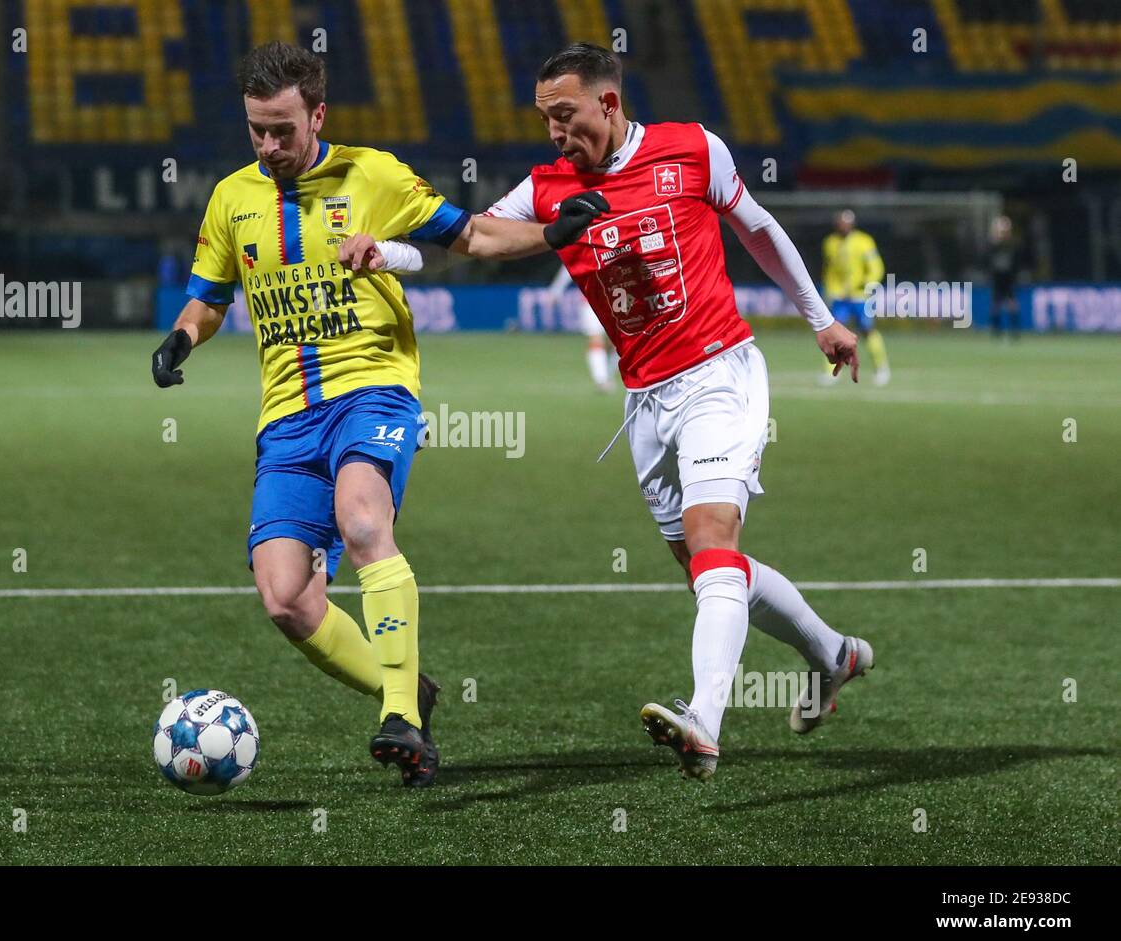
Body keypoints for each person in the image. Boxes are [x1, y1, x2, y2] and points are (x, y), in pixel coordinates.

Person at [340, 43, 874, 781]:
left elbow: (757, 227)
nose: (556, 133)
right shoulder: (548, 187)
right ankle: (833, 653)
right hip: (646, 400)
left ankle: (704, 723)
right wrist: (388, 256)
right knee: (709, 568)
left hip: (721, 373)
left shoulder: (692, 149)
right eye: (546, 120)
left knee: (711, 536)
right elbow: (473, 237)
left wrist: (821, 319)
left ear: (609, 104)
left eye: (566, 116)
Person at [150, 42, 603, 787]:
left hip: (373, 389)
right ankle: (409, 691)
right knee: (285, 596)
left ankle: (401, 718)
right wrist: (180, 339)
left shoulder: (374, 174)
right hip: (287, 417)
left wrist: (551, 234)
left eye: (283, 130)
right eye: (257, 131)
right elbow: (209, 297)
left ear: (317, 115)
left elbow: (472, 234)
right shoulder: (232, 198)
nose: (270, 146)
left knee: (364, 521)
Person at [822, 209, 890, 385]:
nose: (843, 226)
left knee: (868, 330)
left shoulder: (864, 241)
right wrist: (830, 290)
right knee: (834, 333)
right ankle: (831, 372)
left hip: (860, 296)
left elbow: (875, 266)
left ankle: (881, 367)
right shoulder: (830, 243)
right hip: (840, 297)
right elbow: (829, 271)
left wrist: (869, 282)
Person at [548, 263, 617, 391]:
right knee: (595, 338)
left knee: (616, 342)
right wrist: (556, 290)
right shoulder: (584, 245)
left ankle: (608, 375)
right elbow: (568, 265)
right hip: (590, 299)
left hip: (616, 297)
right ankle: (601, 380)